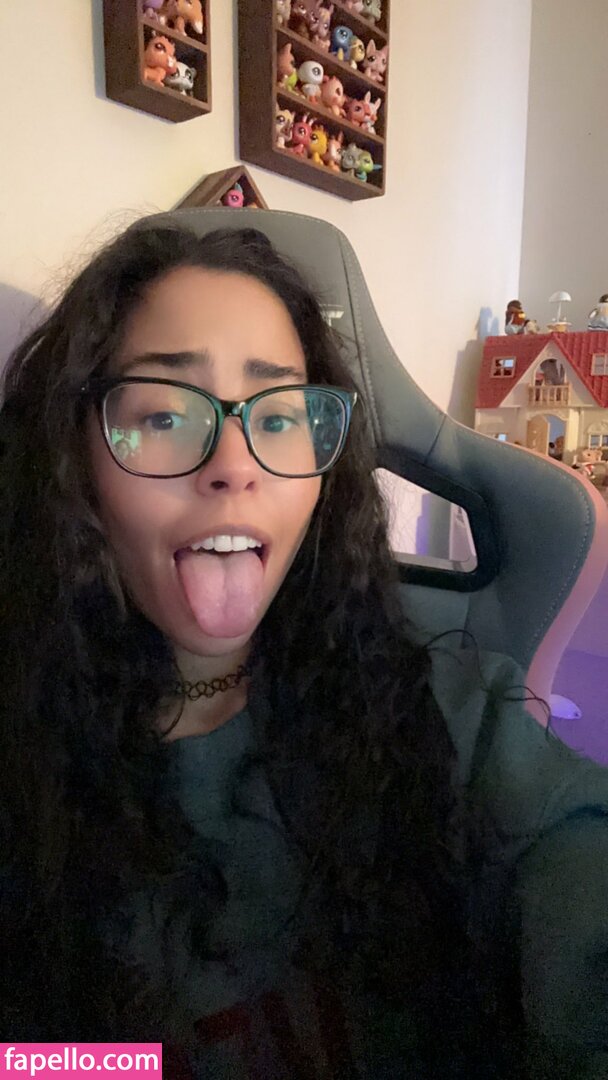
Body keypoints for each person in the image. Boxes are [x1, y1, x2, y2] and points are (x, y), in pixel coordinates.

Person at [1, 220, 608, 1079]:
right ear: (75, 459)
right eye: (164, 413)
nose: (235, 464)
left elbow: (572, 853)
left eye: (281, 415)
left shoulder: (434, 704)